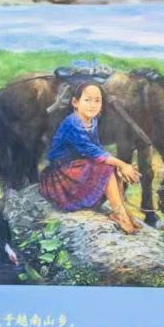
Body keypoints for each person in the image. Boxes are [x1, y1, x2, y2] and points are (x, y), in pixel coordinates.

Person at [39, 81, 142, 234]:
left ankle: (121, 211)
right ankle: (121, 215)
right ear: (75, 102)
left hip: (77, 168)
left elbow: (97, 147)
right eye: (87, 100)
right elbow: (92, 151)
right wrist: (122, 164)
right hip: (62, 173)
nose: (93, 105)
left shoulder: (91, 120)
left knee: (111, 166)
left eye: (97, 100)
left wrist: (120, 166)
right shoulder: (73, 123)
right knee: (107, 166)